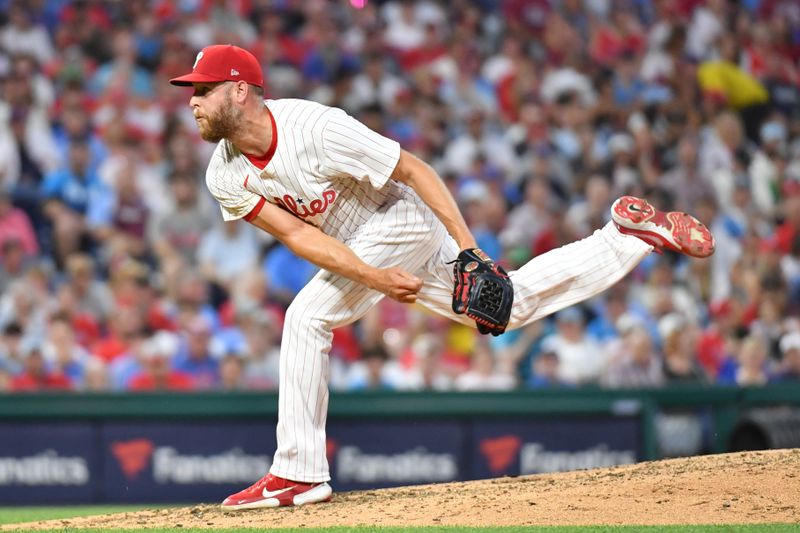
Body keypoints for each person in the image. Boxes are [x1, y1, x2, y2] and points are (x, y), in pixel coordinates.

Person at [169, 44, 715, 510]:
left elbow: (413, 169)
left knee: (306, 317)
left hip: (400, 218)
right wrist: (372, 276)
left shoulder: (314, 127)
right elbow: (299, 238)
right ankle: (625, 236)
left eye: (203, 88)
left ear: (239, 90)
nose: (192, 100)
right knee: (511, 305)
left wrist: (469, 246)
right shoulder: (224, 170)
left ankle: (299, 472)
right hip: (369, 248)